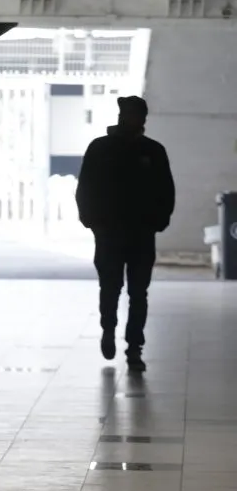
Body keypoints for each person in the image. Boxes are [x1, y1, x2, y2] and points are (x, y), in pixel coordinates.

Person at [76, 96, 175, 373]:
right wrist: (90, 220)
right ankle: (109, 330)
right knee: (111, 288)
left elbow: (166, 190)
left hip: (141, 233)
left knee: (137, 293)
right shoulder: (101, 148)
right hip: (109, 233)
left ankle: (134, 347)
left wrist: (159, 221)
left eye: (138, 116)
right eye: (131, 115)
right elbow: (85, 187)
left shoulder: (152, 151)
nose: (134, 120)